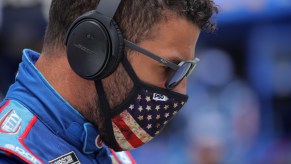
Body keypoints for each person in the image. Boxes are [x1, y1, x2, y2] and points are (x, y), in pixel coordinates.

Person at [0, 0, 217, 163]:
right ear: (93, 46)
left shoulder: (110, 150)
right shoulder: (10, 155)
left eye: (187, 70)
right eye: (169, 69)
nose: (181, 89)